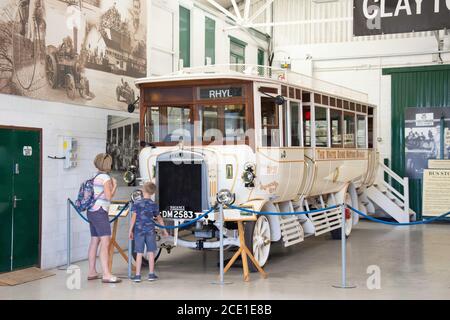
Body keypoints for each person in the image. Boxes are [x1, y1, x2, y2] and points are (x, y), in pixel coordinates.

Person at [87, 153, 121, 283]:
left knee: (94, 241)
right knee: (105, 242)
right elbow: (108, 197)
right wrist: (115, 186)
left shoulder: (94, 176)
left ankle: (91, 271)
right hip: (100, 212)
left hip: (91, 211)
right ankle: (106, 274)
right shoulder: (105, 178)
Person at [128, 182, 168, 282]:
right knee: (151, 252)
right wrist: (164, 230)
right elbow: (159, 219)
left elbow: (133, 218)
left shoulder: (137, 203)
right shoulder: (153, 204)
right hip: (150, 231)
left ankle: (137, 276)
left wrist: (130, 230)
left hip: (139, 231)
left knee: (139, 253)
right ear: (153, 193)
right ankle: (151, 274)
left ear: (143, 190)